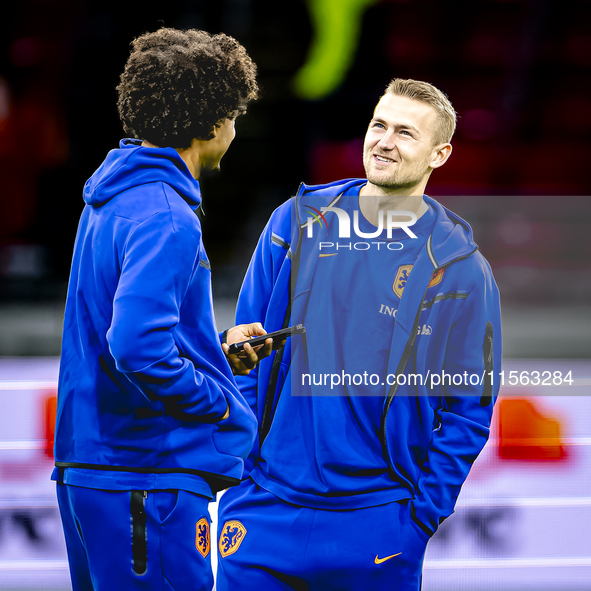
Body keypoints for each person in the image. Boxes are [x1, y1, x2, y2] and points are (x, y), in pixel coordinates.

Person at [216, 78, 502, 591]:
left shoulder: (460, 268)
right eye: (379, 125)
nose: (385, 141)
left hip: (379, 523)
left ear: (440, 154)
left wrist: (420, 517)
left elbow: (469, 409)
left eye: (405, 133)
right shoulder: (296, 222)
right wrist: (240, 469)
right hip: (263, 510)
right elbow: (244, 355)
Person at [52, 28, 269, 591]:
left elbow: (121, 335)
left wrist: (212, 353)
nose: (235, 129)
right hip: (145, 475)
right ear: (211, 122)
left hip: (97, 468)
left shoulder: (112, 198)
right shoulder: (168, 217)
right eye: (234, 115)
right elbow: (135, 348)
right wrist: (218, 399)